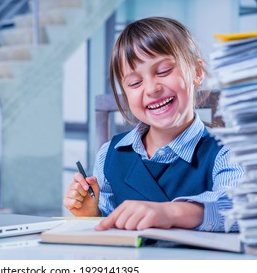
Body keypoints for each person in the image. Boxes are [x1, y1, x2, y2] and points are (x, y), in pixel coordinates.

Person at [63, 17, 243, 232]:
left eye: (164, 71)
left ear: (197, 73)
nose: (151, 88)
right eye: (135, 83)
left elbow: (240, 208)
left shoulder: (228, 151)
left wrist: (170, 212)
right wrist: (92, 215)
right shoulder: (108, 154)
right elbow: (111, 226)